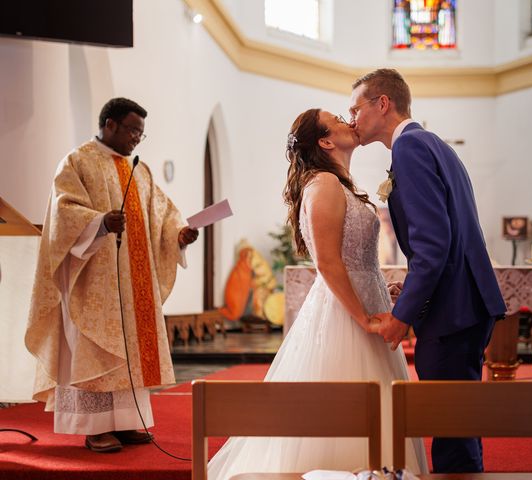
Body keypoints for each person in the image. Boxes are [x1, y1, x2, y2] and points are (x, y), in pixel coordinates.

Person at [207, 109, 428, 479]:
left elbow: (354, 260)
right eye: (339, 119)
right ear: (325, 141)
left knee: (375, 402)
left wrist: (378, 289)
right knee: (347, 404)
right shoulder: (323, 184)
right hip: (346, 318)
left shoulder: (336, 183)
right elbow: (328, 263)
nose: (349, 121)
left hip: (363, 301)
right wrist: (364, 319)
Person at [350, 69, 506, 473]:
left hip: (453, 311)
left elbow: (433, 246)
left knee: (450, 425)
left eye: (356, 107)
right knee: (459, 421)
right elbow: (447, 235)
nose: (351, 118)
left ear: (382, 103)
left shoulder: (410, 149)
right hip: (465, 300)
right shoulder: (432, 143)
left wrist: (402, 317)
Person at [25, 97, 198, 453]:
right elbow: (63, 212)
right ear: (110, 125)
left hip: (134, 284)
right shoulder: (77, 162)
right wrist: (99, 222)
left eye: (141, 133)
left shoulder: (140, 169)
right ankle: (95, 427)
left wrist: (178, 233)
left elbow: (162, 214)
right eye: (133, 130)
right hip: (91, 280)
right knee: (96, 350)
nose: (137, 138)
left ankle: (127, 421)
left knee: (131, 351)